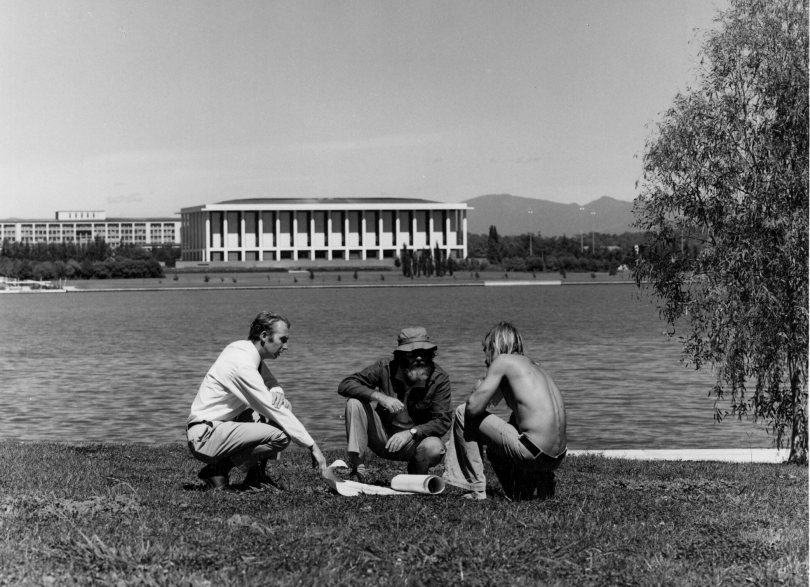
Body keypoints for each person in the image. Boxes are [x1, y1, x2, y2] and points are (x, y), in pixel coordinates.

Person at [187, 311, 327, 492]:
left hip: (216, 428)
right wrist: (312, 446)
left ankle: (255, 476)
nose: (286, 346)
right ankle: (218, 469)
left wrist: (277, 390)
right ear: (264, 336)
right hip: (205, 437)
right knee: (281, 434)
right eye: (283, 339)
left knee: (282, 406)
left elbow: (268, 378)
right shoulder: (242, 365)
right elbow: (272, 409)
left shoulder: (242, 349)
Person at [443, 322, 567, 500]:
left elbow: (474, 408)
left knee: (463, 412)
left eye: (486, 350)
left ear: (495, 346)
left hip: (533, 453)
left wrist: (479, 386)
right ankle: (529, 488)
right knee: (505, 433)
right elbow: (493, 401)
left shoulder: (503, 361)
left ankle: (476, 489)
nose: (485, 358)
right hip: (555, 458)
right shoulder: (534, 366)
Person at [337, 326, 451, 482]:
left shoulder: (440, 378)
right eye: (411, 354)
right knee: (354, 403)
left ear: (430, 354)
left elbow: (442, 421)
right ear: (401, 355)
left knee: (435, 448)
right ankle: (358, 471)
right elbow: (346, 385)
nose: (419, 358)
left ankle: (418, 471)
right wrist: (380, 397)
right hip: (382, 438)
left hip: (415, 443)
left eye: (423, 353)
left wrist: (411, 433)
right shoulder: (384, 368)